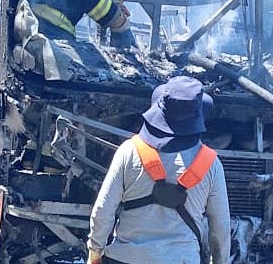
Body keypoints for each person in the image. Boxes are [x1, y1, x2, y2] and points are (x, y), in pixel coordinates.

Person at [88, 76, 231, 264]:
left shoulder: (129, 150)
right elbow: (220, 229)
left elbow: (103, 211)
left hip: (125, 258)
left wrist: (95, 253)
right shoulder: (211, 164)